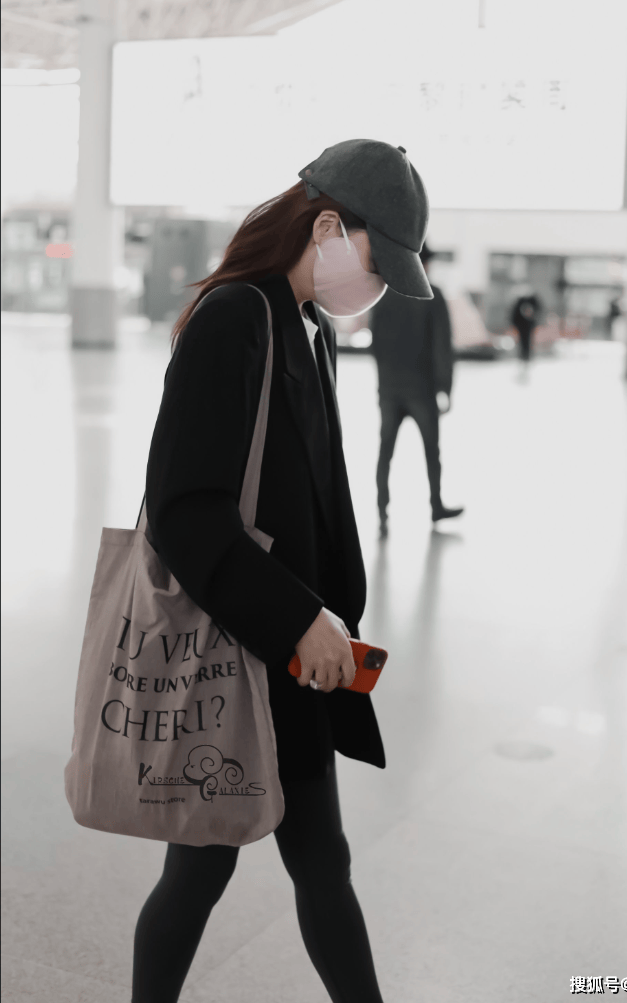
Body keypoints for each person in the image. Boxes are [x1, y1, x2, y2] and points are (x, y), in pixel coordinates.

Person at [131, 139, 432, 1003]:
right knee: (203, 870)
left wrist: (322, 622)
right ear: (329, 227)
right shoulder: (236, 315)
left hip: (293, 661)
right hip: (243, 648)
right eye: (379, 261)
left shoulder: (305, 324)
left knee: (314, 862)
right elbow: (186, 506)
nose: (377, 286)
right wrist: (298, 616)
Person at [369, 242, 463, 537]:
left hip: (390, 389)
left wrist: (383, 384)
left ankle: (382, 510)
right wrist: (445, 388)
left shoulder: (383, 296)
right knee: (431, 451)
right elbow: (442, 346)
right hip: (422, 389)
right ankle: (436, 505)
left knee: (385, 451)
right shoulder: (432, 295)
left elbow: (376, 343)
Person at [510, 292, 542, 361]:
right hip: (521, 324)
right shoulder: (519, 302)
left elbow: (538, 311)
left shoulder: (532, 300)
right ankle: (524, 355)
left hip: (529, 324)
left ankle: (528, 355)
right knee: (522, 340)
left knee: (529, 339)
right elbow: (514, 314)